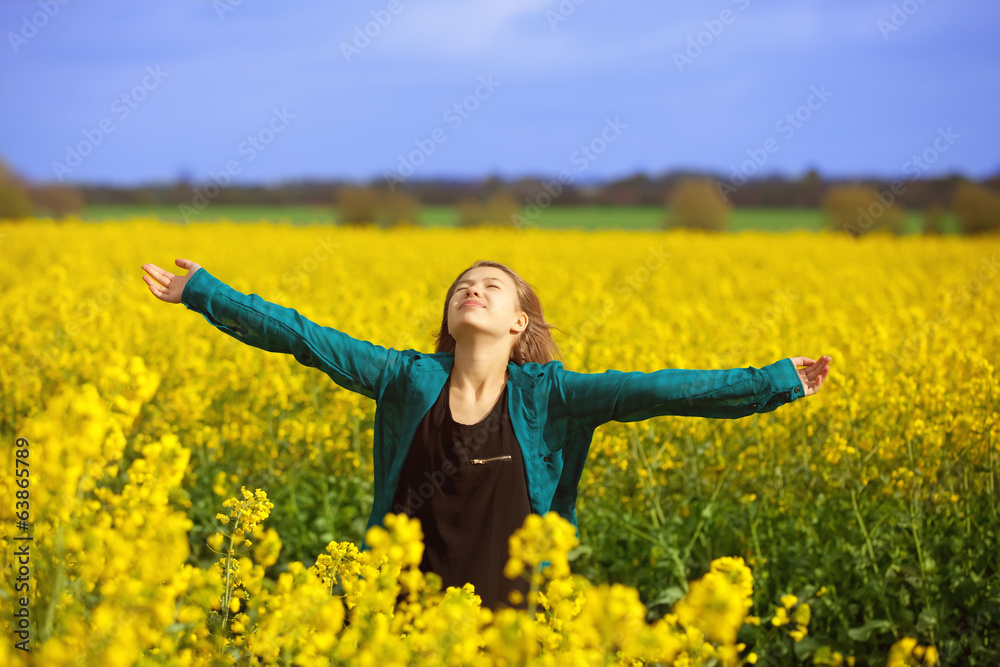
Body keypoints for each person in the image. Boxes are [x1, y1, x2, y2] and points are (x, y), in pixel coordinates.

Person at [140, 257, 832, 611]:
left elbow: (664, 389)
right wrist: (205, 292)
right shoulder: (405, 379)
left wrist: (775, 380)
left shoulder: (552, 396)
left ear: (518, 324)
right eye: (463, 284)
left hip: (512, 630)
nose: (473, 288)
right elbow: (304, 338)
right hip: (397, 624)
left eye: (492, 286)